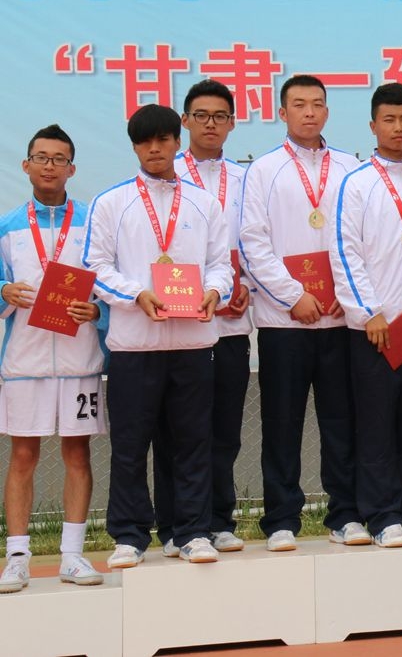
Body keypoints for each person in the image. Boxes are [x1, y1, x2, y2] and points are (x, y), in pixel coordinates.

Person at [84, 104, 233, 568]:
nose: (154, 148)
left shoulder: (204, 203)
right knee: (131, 446)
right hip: (135, 346)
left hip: (193, 344)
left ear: (176, 141)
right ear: (134, 147)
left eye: (162, 139)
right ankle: (129, 536)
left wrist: (214, 291)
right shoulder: (111, 202)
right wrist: (136, 295)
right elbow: (95, 267)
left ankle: (190, 532)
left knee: (192, 443)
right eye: (144, 141)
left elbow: (221, 264)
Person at [239, 75, 367, 551]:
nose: (309, 112)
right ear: (282, 112)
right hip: (284, 322)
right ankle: (280, 519)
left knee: (342, 422)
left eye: (317, 104)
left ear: (328, 112)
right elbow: (252, 242)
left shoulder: (351, 168)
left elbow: (363, 238)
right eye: (299, 104)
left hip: (340, 318)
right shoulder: (263, 170)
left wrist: (346, 294)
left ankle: (345, 514)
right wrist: (294, 295)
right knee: (282, 422)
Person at [333, 83, 402, 547]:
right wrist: (367, 312)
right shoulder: (356, 184)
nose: (398, 128)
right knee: (375, 425)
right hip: (376, 329)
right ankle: (381, 516)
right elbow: (345, 251)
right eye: (389, 120)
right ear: (373, 125)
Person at [0, 125, 105, 591]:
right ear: (26, 165)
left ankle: (73, 555)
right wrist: (3, 290)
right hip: (25, 362)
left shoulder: (92, 222)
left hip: (81, 359)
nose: (49, 166)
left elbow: (108, 282)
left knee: (77, 452)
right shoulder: (7, 226)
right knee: (23, 454)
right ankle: (17, 557)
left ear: (72, 168)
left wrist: (97, 310)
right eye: (41, 157)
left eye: (59, 159)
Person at [153, 79, 252, 557]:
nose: (211, 123)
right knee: (176, 430)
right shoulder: (165, 176)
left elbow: (256, 241)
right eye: (201, 115)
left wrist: (248, 287)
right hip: (179, 326)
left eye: (220, 116)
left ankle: (218, 520)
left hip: (230, 323)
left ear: (232, 123)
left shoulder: (246, 178)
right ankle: (174, 525)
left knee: (224, 429)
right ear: (185, 122)